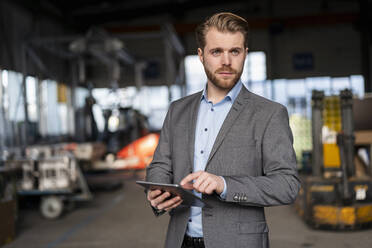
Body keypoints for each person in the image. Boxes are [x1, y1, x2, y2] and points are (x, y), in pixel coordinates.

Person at [146, 12, 300, 248]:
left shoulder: (269, 113)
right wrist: (158, 191)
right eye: (216, 51)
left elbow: (287, 185)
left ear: (245, 54)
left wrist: (224, 184)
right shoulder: (177, 110)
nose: (226, 61)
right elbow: (160, 166)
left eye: (234, 51)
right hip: (180, 240)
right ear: (201, 55)